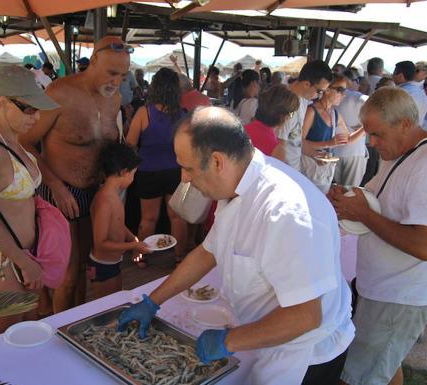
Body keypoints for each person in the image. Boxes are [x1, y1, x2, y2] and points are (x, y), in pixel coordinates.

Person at [118, 106, 354, 385]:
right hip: (264, 337)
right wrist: (152, 301)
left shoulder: (285, 213)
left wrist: (229, 340)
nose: (184, 179)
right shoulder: (235, 182)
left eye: (188, 168)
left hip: (304, 356)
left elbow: (304, 316)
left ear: (217, 162)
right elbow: (207, 252)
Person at [330, 87, 427, 385]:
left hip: (398, 297)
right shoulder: (404, 153)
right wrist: (350, 199)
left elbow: (423, 245)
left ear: (405, 123)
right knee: (384, 367)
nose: (371, 142)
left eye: (377, 134)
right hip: (387, 291)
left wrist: (363, 213)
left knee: (357, 377)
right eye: (368, 133)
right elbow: (384, 200)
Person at [21, 37, 132, 311]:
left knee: (85, 267)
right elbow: (24, 141)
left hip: (94, 193)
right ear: (93, 61)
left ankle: (75, 323)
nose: (117, 81)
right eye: (111, 73)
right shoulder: (60, 93)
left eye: (122, 75)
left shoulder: (114, 99)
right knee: (66, 275)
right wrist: (54, 183)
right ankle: (60, 332)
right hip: (60, 191)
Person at [0, 65, 60, 336]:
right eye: (28, 108)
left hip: (24, 256)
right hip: (3, 260)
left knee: (27, 335)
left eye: (37, 108)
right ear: (2, 102)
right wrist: (23, 261)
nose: (36, 116)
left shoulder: (12, 139)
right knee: (5, 343)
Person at [126, 67, 187, 268]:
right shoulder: (183, 114)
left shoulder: (145, 112)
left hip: (148, 172)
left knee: (148, 218)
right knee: (177, 217)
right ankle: (180, 257)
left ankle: (140, 256)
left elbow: (130, 143)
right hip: (176, 171)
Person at [89, 141, 150, 299]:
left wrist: (133, 238)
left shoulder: (113, 196)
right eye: (133, 174)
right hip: (103, 265)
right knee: (105, 308)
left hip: (114, 262)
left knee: (116, 300)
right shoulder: (105, 201)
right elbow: (100, 242)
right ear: (124, 172)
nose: (133, 178)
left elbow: (117, 224)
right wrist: (133, 245)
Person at [271, 60, 332, 171]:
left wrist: (315, 154)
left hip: (293, 170)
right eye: (319, 91)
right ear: (306, 84)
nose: (320, 96)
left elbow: (296, 140)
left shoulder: (303, 101)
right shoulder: (285, 105)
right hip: (284, 172)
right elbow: (279, 144)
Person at [300, 74, 352, 193]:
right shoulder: (311, 111)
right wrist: (328, 143)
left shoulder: (334, 113)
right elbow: (299, 142)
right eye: (340, 90)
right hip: (310, 169)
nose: (344, 95)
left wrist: (364, 129)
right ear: (327, 90)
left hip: (325, 171)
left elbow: (347, 138)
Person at [334, 70, 369, 187]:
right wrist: (367, 127)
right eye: (357, 80)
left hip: (333, 151)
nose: (358, 84)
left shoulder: (331, 97)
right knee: (349, 191)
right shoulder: (357, 97)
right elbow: (377, 104)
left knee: (335, 190)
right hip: (354, 151)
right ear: (349, 81)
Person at [244, 84, 299, 157]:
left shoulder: (241, 130)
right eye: (291, 113)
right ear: (283, 116)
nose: (290, 117)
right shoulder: (277, 150)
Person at [393, 60, 427, 126]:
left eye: (394, 73)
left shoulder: (400, 93)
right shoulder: (424, 94)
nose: (392, 76)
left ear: (400, 76)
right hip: (415, 133)